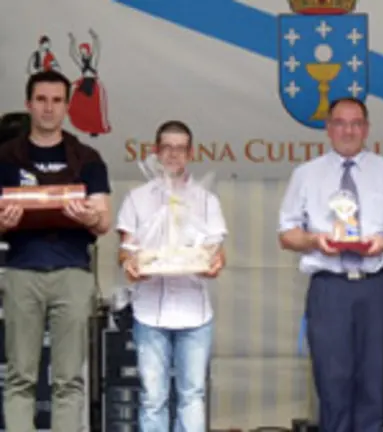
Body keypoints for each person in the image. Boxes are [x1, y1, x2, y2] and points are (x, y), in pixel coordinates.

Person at [278, 97, 383, 432]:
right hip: (330, 287)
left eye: (356, 123)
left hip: (376, 286)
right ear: (328, 128)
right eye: (340, 123)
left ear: (366, 128)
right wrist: (314, 240)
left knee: (374, 378)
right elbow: (287, 233)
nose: (348, 131)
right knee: (332, 378)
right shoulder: (306, 174)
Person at [0, 70, 112, 432]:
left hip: (72, 273)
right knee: (19, 376)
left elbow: (104, 221)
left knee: (69, 379)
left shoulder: (87, 158)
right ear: (28, 104)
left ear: (66, 106)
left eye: (57, 101)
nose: (49, 108)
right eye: (41, 100)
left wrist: (90, 217)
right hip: (22, 271)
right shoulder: (6, 157)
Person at [116, 120, 227, 432]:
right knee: (153, 398)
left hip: (195, 314)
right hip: (149, 312)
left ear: (191, 154)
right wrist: (131, 264)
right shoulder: (136, 198)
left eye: (180, 149)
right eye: (167, 147)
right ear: (156, 151)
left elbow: (218, 253)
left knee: (193, 395)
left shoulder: (207, 200)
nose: (173, 154)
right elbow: (125, 250)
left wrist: (214, 263)